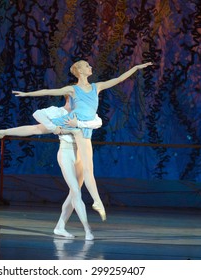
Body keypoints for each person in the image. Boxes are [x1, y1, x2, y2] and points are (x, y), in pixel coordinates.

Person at [11, 60, 153, 221]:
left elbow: (119, 79)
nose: (90, 67)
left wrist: (135, 67)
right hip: (75, 124)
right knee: (38, 130)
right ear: (79, 70)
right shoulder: (73, 89)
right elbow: (49, 91)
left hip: (84, 126)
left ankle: (96, 202)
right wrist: (27, 94)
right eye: (87, 65)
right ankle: (97, 201)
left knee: (40, 131)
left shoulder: (96, 87)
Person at [0, 96, 102, 240]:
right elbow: (37, 119)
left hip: (82, 155)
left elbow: (98, 122)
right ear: (69, 98)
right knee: (76, 192)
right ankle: (87, 230)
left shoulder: (84, 113)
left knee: (73, 194)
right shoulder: (57, 112)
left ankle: (60, 226)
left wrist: (79, 123)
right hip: (66, 154)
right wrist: (54, 127)